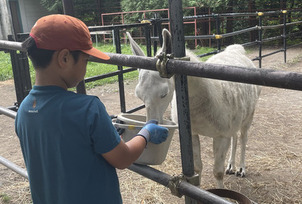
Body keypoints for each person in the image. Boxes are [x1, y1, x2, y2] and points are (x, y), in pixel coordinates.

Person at [15, 14, 169, 204]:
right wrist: (146, 133)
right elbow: (123, 158)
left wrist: (108, 134)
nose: (86, 68)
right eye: (86, 60)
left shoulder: (23, 110)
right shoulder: (88, 109)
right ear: (64, 58)